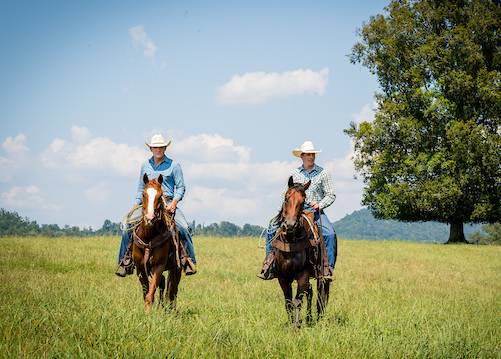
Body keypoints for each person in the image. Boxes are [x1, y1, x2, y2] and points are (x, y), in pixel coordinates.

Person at [115, 134, 197, 277]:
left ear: (165, 148)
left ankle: (188, 261)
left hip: (168, 203)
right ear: (151, 149)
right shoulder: (145, 165)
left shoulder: (174, 165)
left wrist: (174, 203)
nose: (158, 150)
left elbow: (181, 187)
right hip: (147, 204)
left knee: (184, 228)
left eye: (160, 147)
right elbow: (141, 188)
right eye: (155, 147)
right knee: (126, 226)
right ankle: (125, 261)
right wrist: (135, 206)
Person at [258, 140, 337, 280]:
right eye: (308, 154)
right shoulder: (294, 173)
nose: (311, 157)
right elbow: (288, 195)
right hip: (294, 211)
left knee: (329, 234)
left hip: (314, 211)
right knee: (271, 228)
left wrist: (320, 204)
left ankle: (327, 268)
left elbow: (331, 194)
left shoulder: (323, 173)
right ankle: (269, 263)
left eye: (312, 154)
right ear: (302, 156)